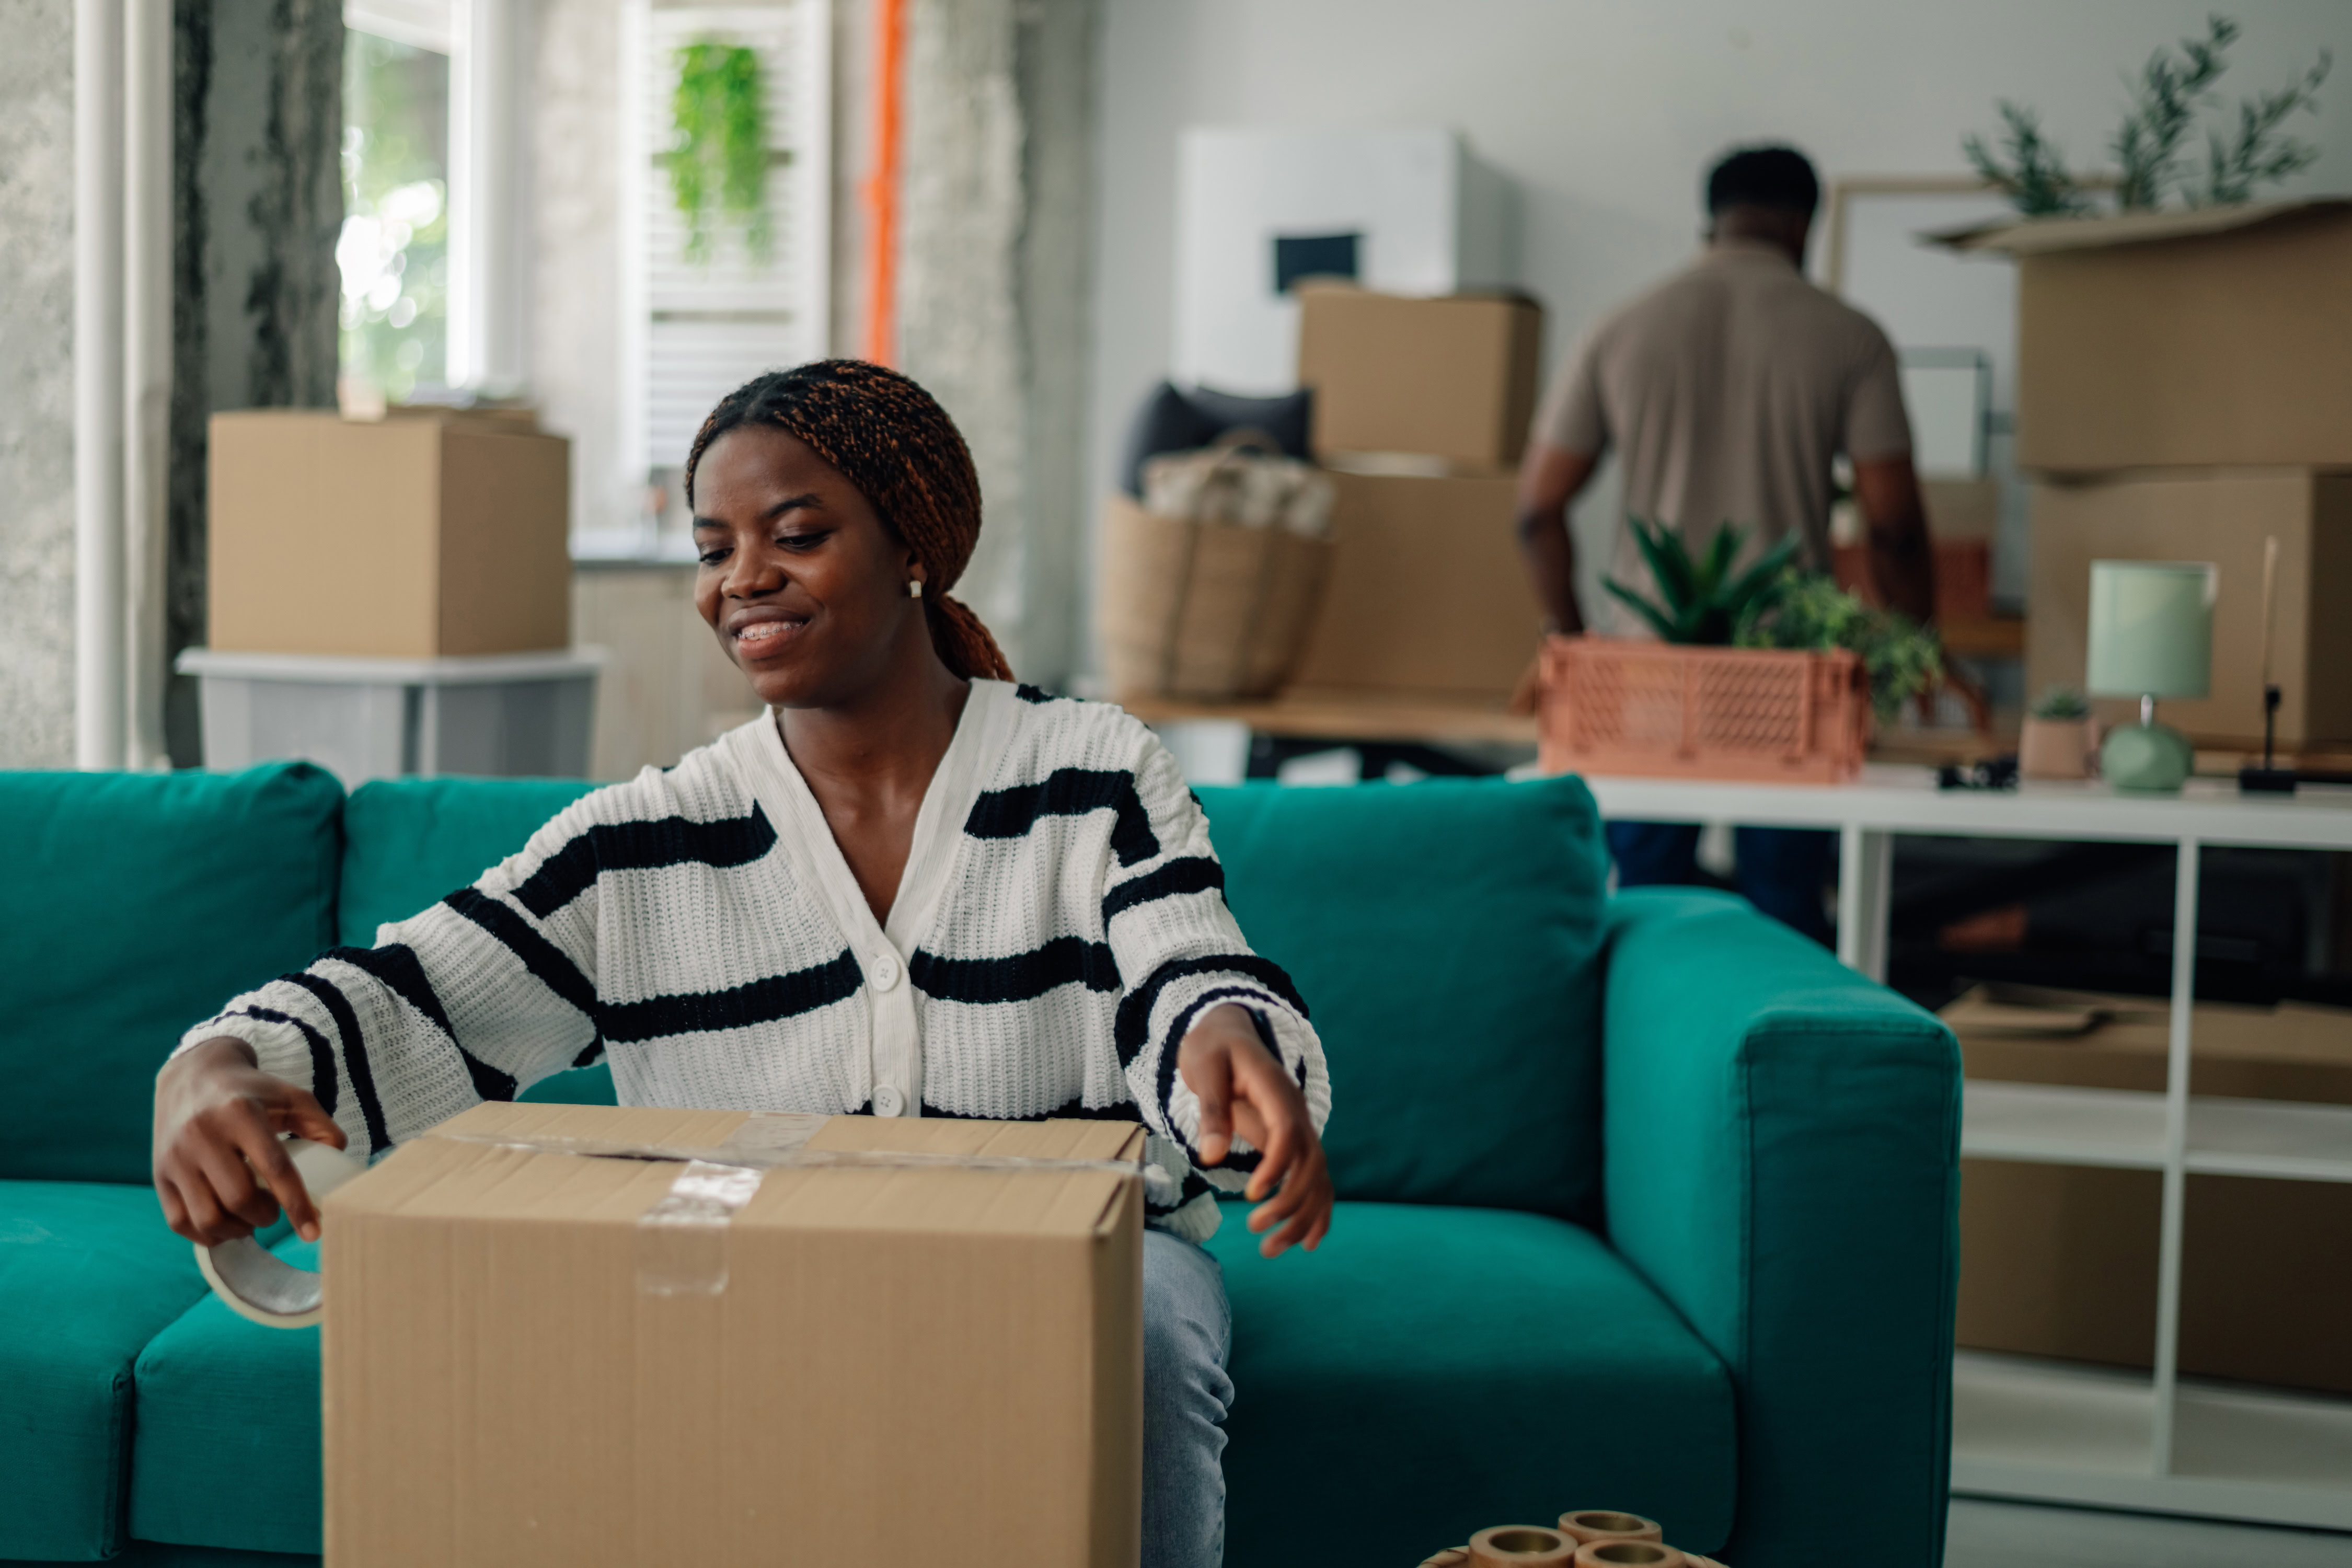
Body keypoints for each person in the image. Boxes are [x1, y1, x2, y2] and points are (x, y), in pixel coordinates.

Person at [152, 359, 1333, 1568]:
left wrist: (1218, 1041)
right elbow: (424, 992)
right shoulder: (644, 842)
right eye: (714, 549)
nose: (744, 579)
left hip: (1091, 1250)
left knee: (1141, 1336)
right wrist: (217, 1064)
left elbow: (1181, 960)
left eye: (798, 534)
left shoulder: (1092, 769)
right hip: (770, 1269)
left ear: (914, 543)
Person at [1514, 143, 1934, 943]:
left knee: (1642, 907)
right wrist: (1917, 646)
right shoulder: (1848, 337)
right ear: (1808, 221)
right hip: (1782, 679)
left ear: (1712, 217)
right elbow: (1895, 526)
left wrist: (1573, 641)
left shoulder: (1622, 327)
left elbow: (1537, 511)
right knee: (1783, 910)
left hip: (1644, 672)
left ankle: (1646, 1066)